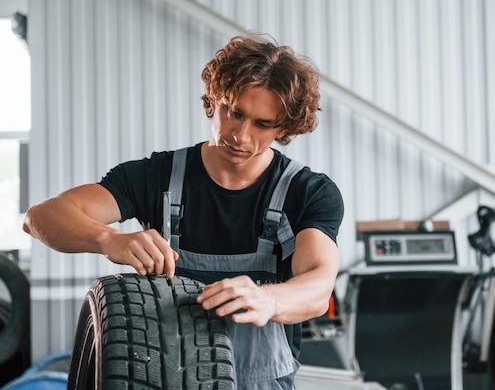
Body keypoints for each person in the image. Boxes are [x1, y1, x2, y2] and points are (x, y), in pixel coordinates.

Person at [23, 34, 344, 389]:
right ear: (212, 101)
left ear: (283, 127)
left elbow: (318, 286)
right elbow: (40, 218)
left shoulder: (307, 192)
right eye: (233, 112)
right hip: (160, 380)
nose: (239, 134)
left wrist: (267, 298)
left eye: (262, 124)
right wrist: (108, 239)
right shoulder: (155, 176)